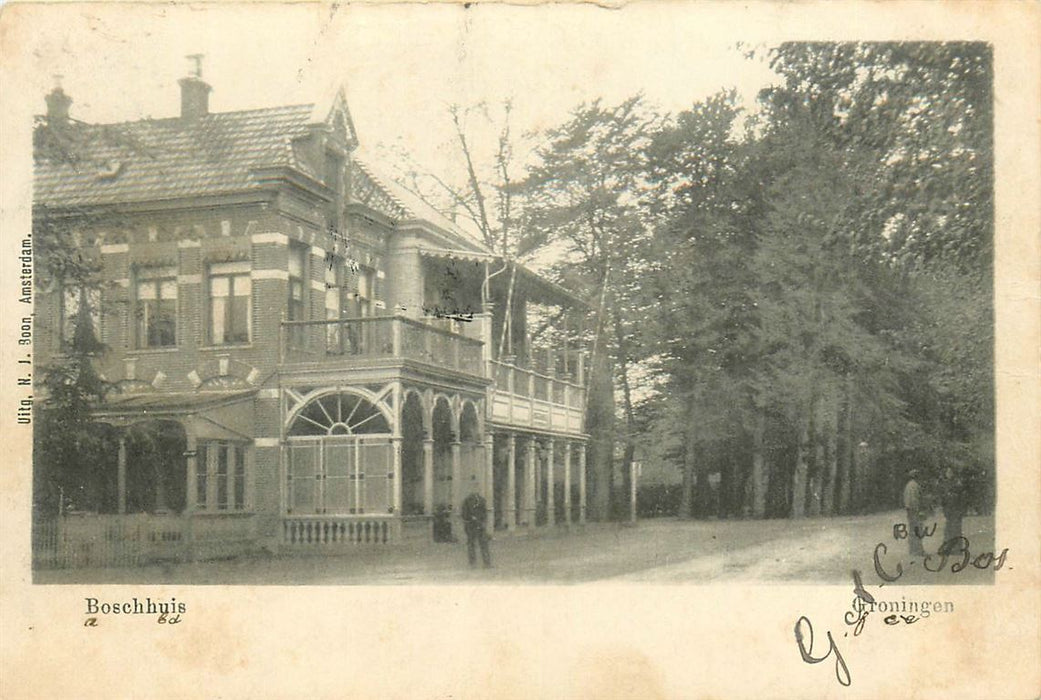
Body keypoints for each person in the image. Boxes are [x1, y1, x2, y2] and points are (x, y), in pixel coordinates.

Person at [461, 483, 492, 569]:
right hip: (471, 526)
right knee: (471, 544)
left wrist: (483, 522)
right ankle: (472, 564)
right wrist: (471, 518)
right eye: (474, 488)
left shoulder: (482, 500)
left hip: (480, 526)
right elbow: (464, 514)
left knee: (484, 544)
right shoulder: (466, 501)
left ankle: (487, 563)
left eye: (477, 488)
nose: (475, 490)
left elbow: (484, 513)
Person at [940, 466, 967, 546]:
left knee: (956, 529)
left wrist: (962, 510)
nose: (949, 474)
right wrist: (944, 509)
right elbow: (943, 498)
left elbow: (962, 498)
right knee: (948, 529)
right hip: (948, 510)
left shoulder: (958, 483)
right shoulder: (944, 484)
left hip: (956, 509)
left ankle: (957, 548)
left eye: (950, 472)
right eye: (947, 472)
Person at [902, 469, 926, 556]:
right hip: (915, 510)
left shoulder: (908, 486)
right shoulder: (915, 486)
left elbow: (906, 500)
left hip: (909, 510)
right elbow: (915, 500)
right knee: (917, 529)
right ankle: (918, 550)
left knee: (912, 530)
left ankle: (912, 550)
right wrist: (919, 511)